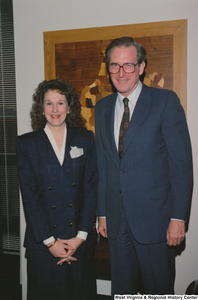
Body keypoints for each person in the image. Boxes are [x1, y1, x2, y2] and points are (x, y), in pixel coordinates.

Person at [94, 37, 193, 296]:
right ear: (108, 69)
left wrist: (178, 218)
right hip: (116, 221)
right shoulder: (102, 108)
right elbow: (104, 164)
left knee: (158, 290)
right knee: (122, 291)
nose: (121, 72)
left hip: (156, 221)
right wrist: (102, 212)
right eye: (114, 65)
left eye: (128, 65)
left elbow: (181, 166)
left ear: (141, 67)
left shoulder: (165, 102)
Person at [16, 78, 98, 300]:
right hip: (43, 243)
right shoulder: (26, 144)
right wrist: (50, 242)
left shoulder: (85, 138)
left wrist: (79, 238)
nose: (55, 109)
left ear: (69, 106)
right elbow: (30, 197)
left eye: (60, 102)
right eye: (49, 103)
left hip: (78, 239)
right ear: (41, 108)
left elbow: (91, 189)